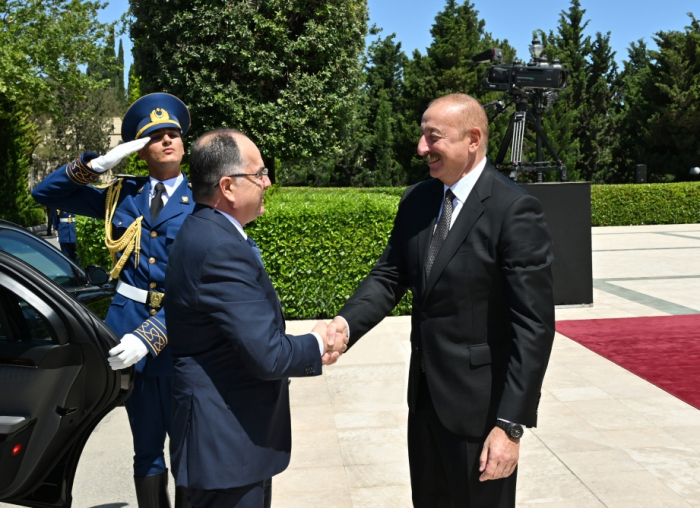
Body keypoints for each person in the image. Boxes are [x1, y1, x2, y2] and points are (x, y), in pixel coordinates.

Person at [328, 93, 555, 507]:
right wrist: (345, 325)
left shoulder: (514, 209)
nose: (421, 148)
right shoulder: (418, 199)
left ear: (472, 138)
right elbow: (390, 274)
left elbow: (534, 327)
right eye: (421, 135)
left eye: (433, 137)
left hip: (482, 418)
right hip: (427, 405)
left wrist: (511, 426)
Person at [163, 128, 347, 508]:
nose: (267, 182)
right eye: (259, 173)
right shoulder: (218, 247)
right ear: (228, 187)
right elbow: (269, 355)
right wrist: (317, 342)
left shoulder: (211, 231)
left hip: (231, 444)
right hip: (224, 449)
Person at [32, 93, 194, 508]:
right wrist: (97, 165)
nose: (167, 140)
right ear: (139, 151)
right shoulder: (119, 195)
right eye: (155, 136)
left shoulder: (203, 199)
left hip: (186, 341)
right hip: (129, 335)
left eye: (173, 132)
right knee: (145, 449)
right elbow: (45, 195)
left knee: (189, 450)